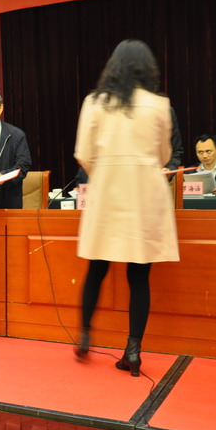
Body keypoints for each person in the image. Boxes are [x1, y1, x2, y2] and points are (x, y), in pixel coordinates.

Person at [74, 40, 179, 376]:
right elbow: (164, 155)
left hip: (107, 191)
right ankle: (133, 351)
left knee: (97, 266)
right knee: (139, 274)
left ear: (113, 67)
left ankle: (85, 334)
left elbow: (82, 153)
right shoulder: (160, 104)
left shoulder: (94, 102)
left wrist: (105, 172)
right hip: (144, 194)